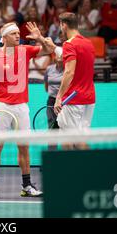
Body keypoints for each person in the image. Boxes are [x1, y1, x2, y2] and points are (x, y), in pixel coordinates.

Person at [0, 22, 52, 199]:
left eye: (18, 33)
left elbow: (50, 49)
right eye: (13, 34)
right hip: (1, 107)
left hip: (21, 107)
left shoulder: (25, 51)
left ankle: (27, 186)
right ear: (3, 38)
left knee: (24, 147)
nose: (18, 36)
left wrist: (40, 37)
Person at [46, 13, 96, 149]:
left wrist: (59, 97)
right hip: (89, 98)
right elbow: (70, 58)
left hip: (73, 99)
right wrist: (50, 45)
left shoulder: (69, 44)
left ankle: (68, 169)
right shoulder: (88, 43)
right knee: (80, 139)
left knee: (68, 138)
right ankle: (87, 169)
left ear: (64, 25)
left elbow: (69, 71)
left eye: (61, 25)